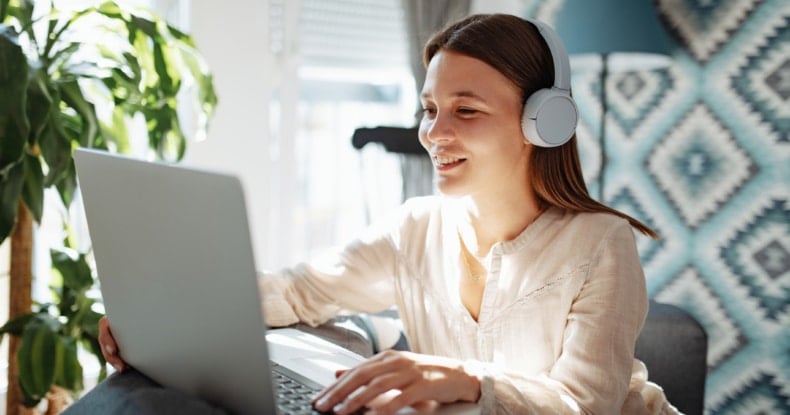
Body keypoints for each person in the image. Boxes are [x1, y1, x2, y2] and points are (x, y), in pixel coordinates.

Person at [99, 13, 678, 415]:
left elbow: (583, 405)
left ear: (542, 123)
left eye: (466, 109)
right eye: (429, 108)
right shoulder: (415, 228)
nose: (434, 132)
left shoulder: (601, 244)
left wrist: (465, 381)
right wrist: (164, 314)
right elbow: (298, 292)